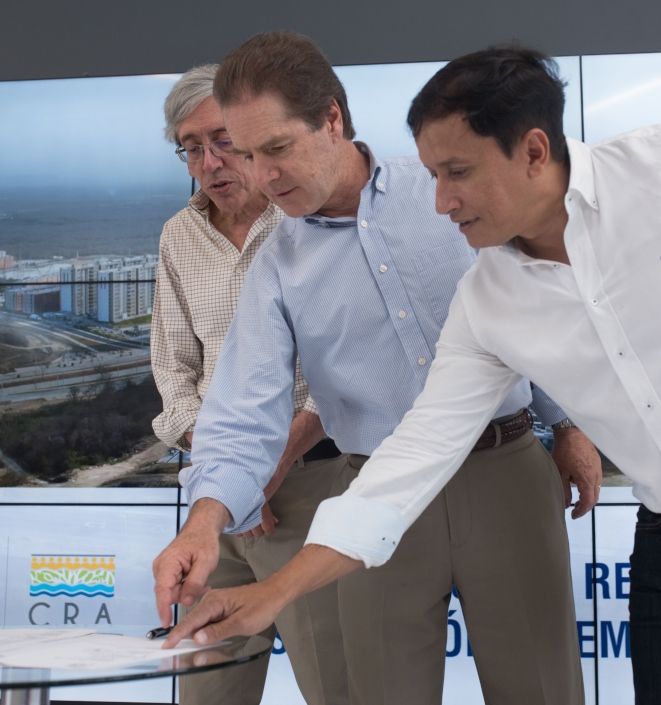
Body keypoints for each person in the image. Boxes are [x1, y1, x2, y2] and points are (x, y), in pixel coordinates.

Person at [167, 47, 661, 705]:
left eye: (458, 172)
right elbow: (410, 461)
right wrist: (271, 591)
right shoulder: (488, 298)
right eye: (433, 173)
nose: (440, 201)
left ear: (534, 150)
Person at [154, 31, 598, 705]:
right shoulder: (275, 266)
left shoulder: (446, 190)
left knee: (542, 690)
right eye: (247, 155)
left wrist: (567, 424)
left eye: (276, 148)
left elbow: (531, 302)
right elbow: (244, 411)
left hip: (505, 471)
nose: (262, 175)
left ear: (332, 119)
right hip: (371, 496)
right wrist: (202, 522)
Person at [149, 65, 349, 705]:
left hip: (313, 482)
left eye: (222, 140)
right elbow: (173, 371)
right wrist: (225, 474)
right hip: (215, 498)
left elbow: (344, 367)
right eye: (190, 146)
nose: (208, 161)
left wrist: (268, 464)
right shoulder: (179, 235)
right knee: (208, 689)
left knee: (334, 683)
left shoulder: (308, 221)